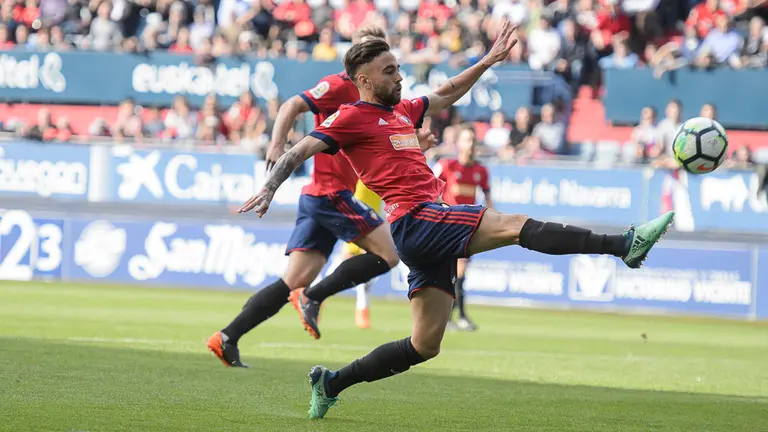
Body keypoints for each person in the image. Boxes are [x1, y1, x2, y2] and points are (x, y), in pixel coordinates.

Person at [238, 21, 674, 419]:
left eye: (398, 68)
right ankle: (623, 245)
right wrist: (270, 185)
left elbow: (445, 92)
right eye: (389, 71)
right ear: (365, 80)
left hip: (422, 227)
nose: (399, 76)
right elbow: (300, 150)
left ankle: (332, 381)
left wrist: (486, 60)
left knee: (425, 345)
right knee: (515, 225)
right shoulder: (350, 116)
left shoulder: (403, 112)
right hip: (418, 219)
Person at [206, 26, 435, 367]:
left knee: (292, 280)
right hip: (330, 193)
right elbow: (291, 104)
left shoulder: (379, 100)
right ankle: (313, 298)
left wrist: (417, 144)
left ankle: (226, 337)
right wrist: (276, 144)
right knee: (389, 253)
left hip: (320, 196)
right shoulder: (339, 85)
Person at [432, 125, 493, 331]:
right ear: (458, 143)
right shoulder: (447, 165)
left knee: (459, 272)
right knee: (452, 273)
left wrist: (493, 222)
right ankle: (455, 316)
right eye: (467, 140)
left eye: (474, 141)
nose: (471, 145)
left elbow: (488, 199)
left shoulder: (481, 171)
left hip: (468, 227)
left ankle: (455, 317)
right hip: (447, 226)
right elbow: (431, 189)